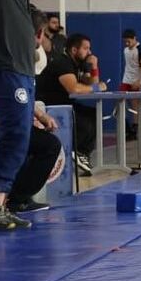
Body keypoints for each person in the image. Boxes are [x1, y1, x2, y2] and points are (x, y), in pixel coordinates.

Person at [0, 0, 86, 229]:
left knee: (22, 140)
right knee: (15, 137)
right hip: (4, 70)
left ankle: (1, 203)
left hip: (21, 73)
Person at [0, 9, 64, 214]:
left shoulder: (19, 54)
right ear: (38, 33)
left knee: (32, 142)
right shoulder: (11, 57)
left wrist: (39, 115)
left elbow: (21, 94)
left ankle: (7, 201)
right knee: (40, 145)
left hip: (5, 120)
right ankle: (10, 201)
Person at [36, 33, 105, 177]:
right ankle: (74, 151)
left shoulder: (77, 64)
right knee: (85, 124)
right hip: (50, 107)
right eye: (86, 48)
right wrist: (96, 88)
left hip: (65, 104)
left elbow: (92, 83)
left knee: (94, 115)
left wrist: (94, 67)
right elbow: (74, 89)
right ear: (74, 50)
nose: (89, 52)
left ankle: (82, 153)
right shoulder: (63, 63)